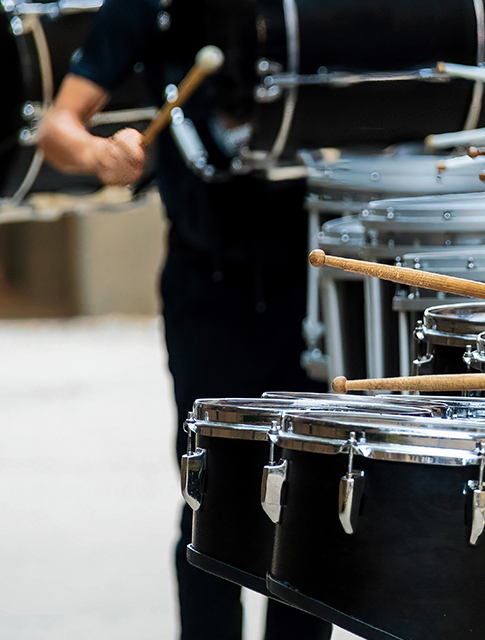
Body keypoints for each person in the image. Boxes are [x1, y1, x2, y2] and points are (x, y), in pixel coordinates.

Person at [37, 0, 332, 638]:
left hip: (313, 287)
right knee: (213, 504)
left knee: (313, 504)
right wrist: (96, 156)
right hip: (207, 286)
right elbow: (58, 125)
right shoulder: (151, 7)